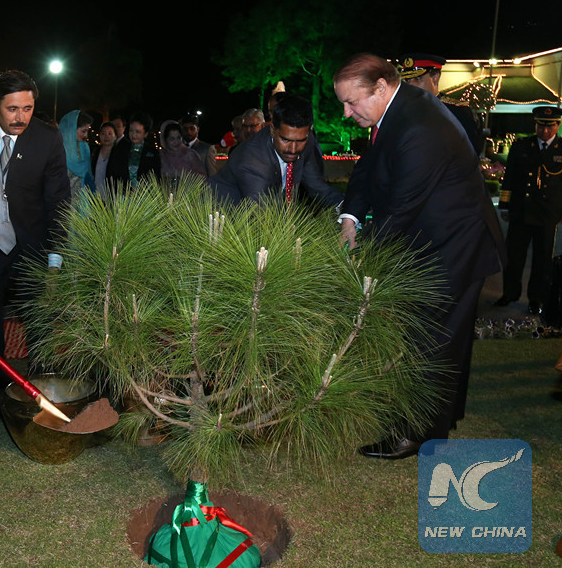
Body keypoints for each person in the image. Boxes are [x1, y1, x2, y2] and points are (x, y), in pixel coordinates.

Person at [334, 53, 503, 459]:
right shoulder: (393, 112)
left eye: (352, 102)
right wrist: (350, 218)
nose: (346, 112)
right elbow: (368, 170)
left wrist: (359, 259)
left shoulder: (418, 128)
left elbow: (399, 211)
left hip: (454, 245)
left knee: (431, 340)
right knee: (438, 337)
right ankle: (439, 420)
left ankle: (418, 433)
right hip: (435, 238)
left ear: (381, 87)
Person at [0, 70, 70, 421]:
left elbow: (59, 200)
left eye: (28, 108)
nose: (21, 118)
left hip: (30, 246)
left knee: (40, 323)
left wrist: (56, 256)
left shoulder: (47, 138)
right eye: (12, 109)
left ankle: (42, 389)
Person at [208, 93, 344, 208]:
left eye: (300, 140)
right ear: (272, 130)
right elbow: (260, 217)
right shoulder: (251, 160)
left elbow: (318, 189)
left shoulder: (307, 141)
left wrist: (350, 211)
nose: (293, 149)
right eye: (285, 140)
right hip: (221, 217)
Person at [494, 105, 562, 315]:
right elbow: (510, 179)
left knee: (542, 260)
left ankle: (536, 299)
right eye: (540, 126)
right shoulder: (522, 146)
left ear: (557, 126)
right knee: (514, 256)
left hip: (548, 213)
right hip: (521, 211)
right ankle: (510, 293)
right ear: (535, 125)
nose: (544, 131)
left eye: (549, 127)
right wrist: (505, 205)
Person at [396, 53, 484, 154]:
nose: (411, 85)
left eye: (417, 79)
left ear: (435, 78)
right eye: (407, 80)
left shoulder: (456, 112)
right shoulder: (402, 112)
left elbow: (470, 154)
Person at [105, 111, 160, 188]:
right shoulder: (120, 149)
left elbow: (156, 178)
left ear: (146, 133)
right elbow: (111, 175)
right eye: (131, 130)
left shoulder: (152, 152)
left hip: (144, 196)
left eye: (138, 132)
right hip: (122, 195)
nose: (133, 135)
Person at [59, 109, 94, 205]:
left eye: (87, 131)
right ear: (72, 129)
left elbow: (88, 175)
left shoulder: (85, 147)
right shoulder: (58, 148)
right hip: (62, 199)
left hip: (81, 199)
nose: (86, 135)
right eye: (83, 131)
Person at [91, 121, 117, 196]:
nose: (106, 136)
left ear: (115, 136)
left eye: (110, 133)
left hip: (112, 197)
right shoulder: (94, 152)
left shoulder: (119, 155)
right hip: (95, 197)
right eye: (103, 133)